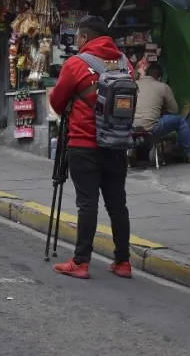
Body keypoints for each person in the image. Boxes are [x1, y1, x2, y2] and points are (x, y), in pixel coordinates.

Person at [49, 16, 133, 280]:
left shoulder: (76, 64)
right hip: (117, 145)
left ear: (84, 38)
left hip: (84, 143)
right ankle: (123, 262)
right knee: (117, 204)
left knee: (87, 204)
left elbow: (57, 102)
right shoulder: (124, 63)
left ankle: (81, 261)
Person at [132, 62, 190, 162]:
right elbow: (174, 110)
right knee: (179, 121)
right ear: (159, 77)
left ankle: (132, 151)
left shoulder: (135, 84)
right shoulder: (163, 86)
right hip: (151, 127)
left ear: (146, 74)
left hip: (131, 126)